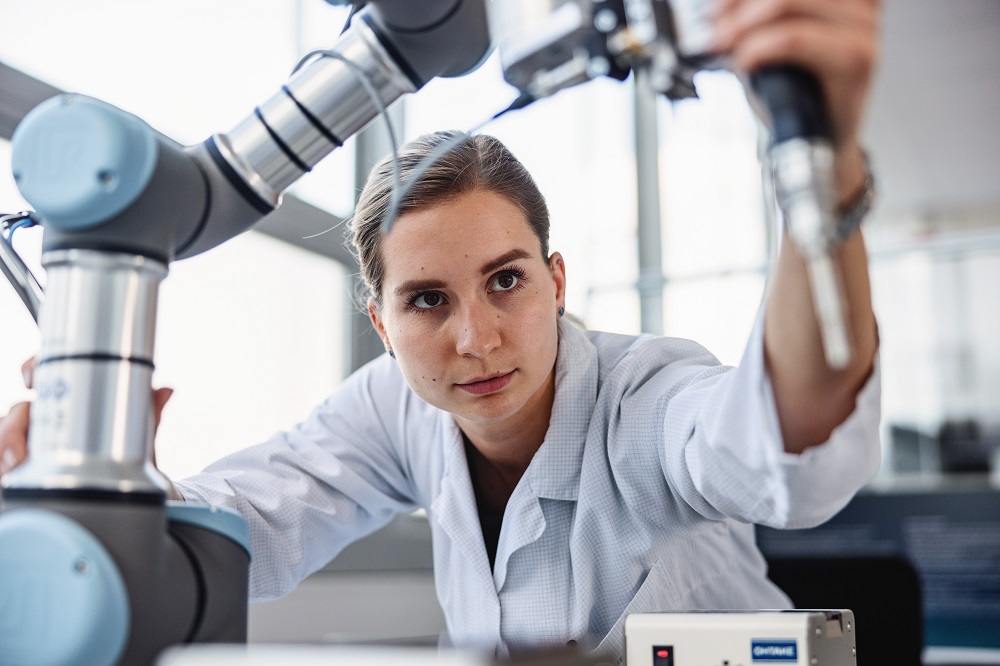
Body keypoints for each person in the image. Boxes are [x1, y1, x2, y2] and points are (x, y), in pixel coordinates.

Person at [0, 0, 882, 659]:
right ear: (381, 322)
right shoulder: (393, 406)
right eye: (427, 300)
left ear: (556, 279)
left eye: (506, 280)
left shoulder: (642, 398)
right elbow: (250, 525)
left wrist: (824, 159)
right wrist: (107, 492)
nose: (477, 337)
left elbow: (783, 443)